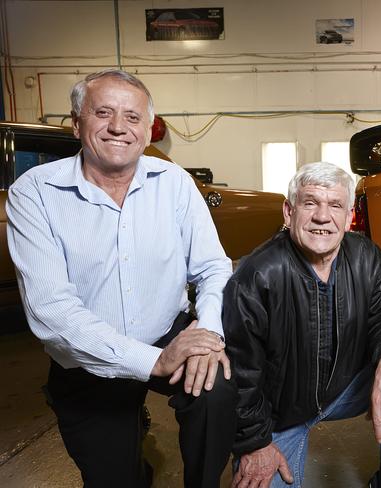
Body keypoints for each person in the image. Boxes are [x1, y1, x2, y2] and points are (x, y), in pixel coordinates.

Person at [6, 69, 237, 488]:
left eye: (133, 117)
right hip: (86, 359)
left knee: (215, 389)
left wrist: (208, 331)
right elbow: (52, 310)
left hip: (166, 330)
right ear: (76, 123)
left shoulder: (175, 184)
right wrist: (153, 362)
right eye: (103, 113)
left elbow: (212, 267)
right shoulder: (35, 193)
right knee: (115, 478)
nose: (118, 127)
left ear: (148, 129)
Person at [223, 162, 381, 488]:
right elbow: (240, 375)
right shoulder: (256, 275)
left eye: (335, 205)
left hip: (341, 390)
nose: (323, 217)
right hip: (279, 415)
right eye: (310, 203)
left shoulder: (367, 257)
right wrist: (254, 443)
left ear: (349, 216)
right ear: (288, 212)